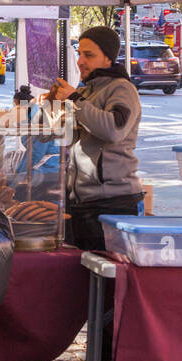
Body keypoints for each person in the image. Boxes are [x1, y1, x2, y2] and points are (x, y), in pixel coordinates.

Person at [45, 25, 143, 251]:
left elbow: (113, 129)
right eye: (79, 53)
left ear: (108, 59)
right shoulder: (87, 91)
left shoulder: (122, 89)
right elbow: (53, 136)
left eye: (88, 55)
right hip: (80, 201)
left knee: (105, 277)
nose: (80, 61)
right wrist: (51, 105)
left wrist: (75, 100)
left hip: (112, 203)